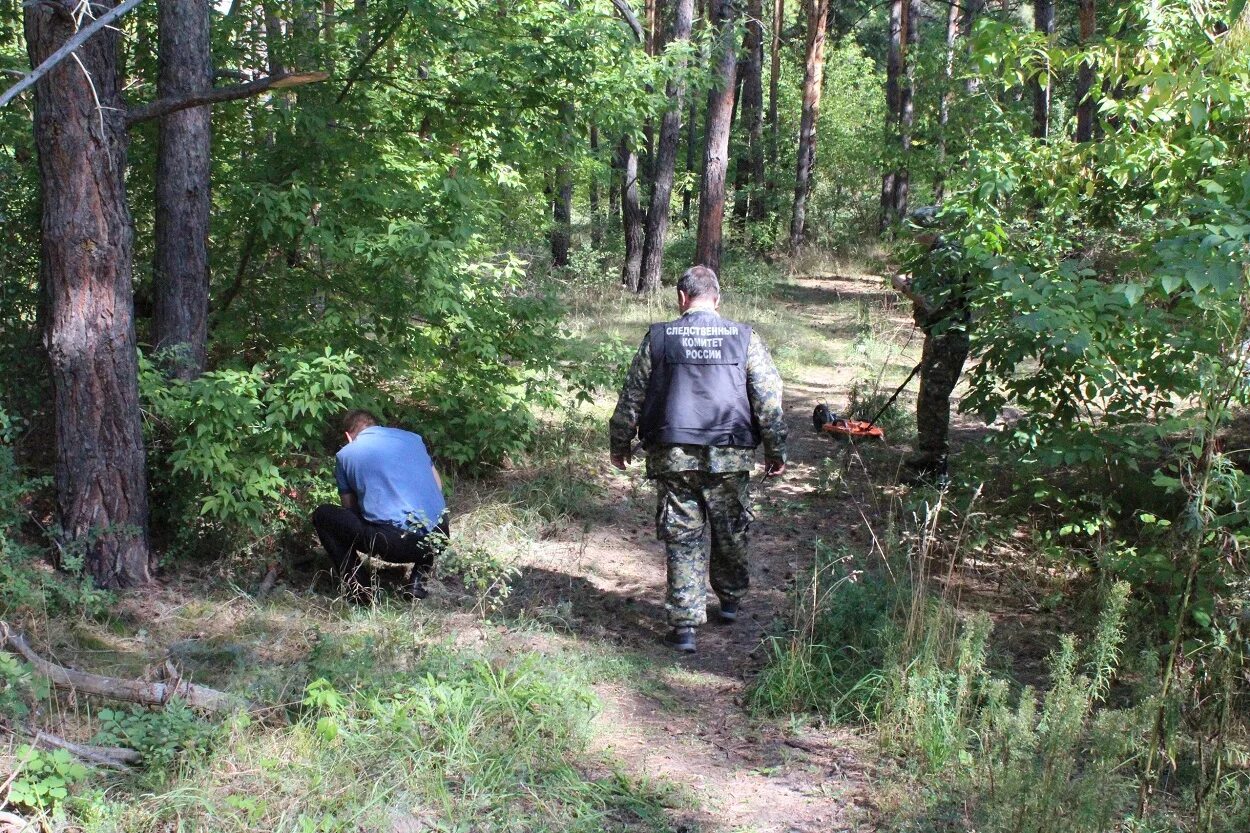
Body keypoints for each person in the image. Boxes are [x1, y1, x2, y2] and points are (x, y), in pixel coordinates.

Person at [609, 265, 787, 653]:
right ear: (717, 299)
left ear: (681, 298)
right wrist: (777, 449)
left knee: (683, 537)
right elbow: (768, 399)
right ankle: (731, 601)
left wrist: (619, 443)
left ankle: (686, 625)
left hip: (674, 455)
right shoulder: (744, 338)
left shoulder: (660, 337)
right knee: (730, 530)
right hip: (731, 452)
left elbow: (632, 396)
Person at [312, 409, 449, 601]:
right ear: (377, 426)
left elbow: (349, 508)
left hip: (394, 543)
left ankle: (361, 590)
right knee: (425, 515)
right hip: (440, 536)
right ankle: (418, 581)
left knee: (324, 515)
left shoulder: (346, 455)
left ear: (348, 436)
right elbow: (438, 485)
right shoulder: (413, 439)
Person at [891, 210, 972, 481]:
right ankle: (928, 456)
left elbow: (932, 300)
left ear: (928, 229)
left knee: (934, 399)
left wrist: (903, 286)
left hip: (948, 337)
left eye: (915, 230)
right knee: (928, 398)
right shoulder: (939, 253)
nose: (913, 237)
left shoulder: (945, 255)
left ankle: (936, 468)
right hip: (941, 335)